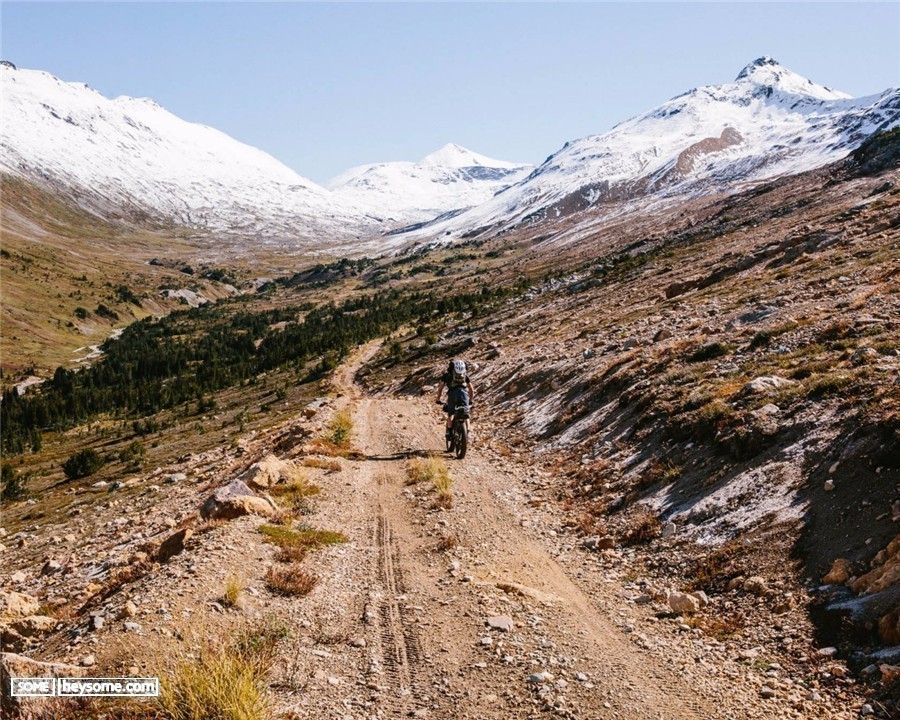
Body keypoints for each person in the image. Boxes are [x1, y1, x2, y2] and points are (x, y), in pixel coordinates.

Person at [435, 359, 474, 444]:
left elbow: (440, 388)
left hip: (452, 394)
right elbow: (471, 389)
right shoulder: (464, 376)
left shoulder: (446, 375)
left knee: (451, 413)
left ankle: (449, 432)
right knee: (466, 415)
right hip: (464, 394)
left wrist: (438, 399)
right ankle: (468, 434)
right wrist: (470, 400)